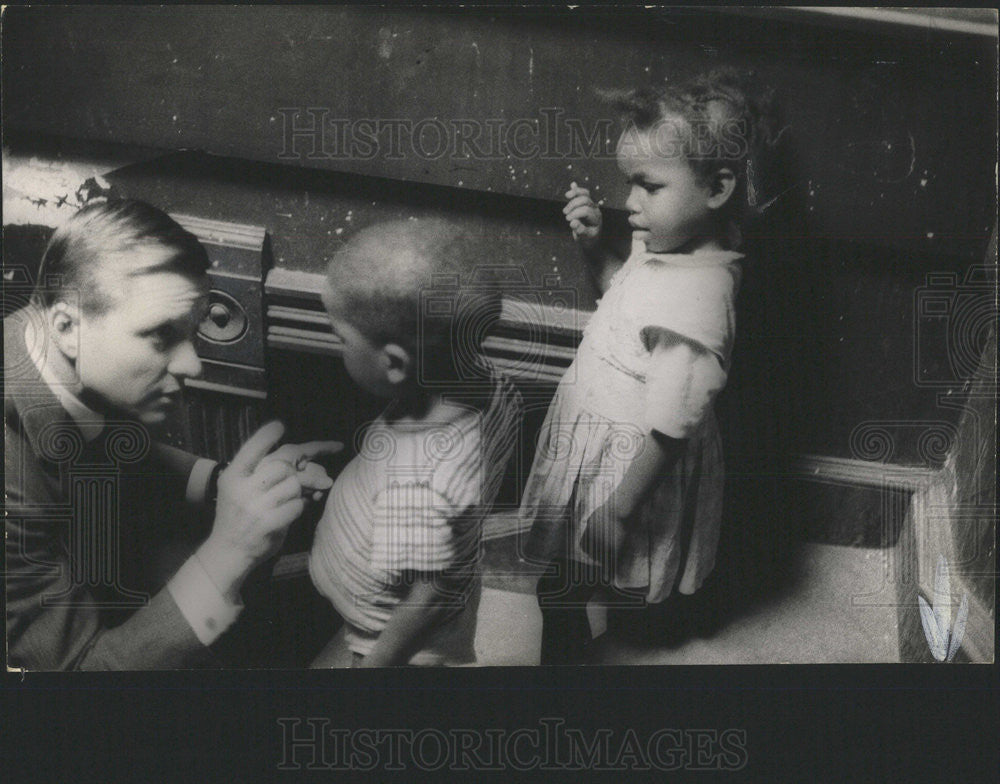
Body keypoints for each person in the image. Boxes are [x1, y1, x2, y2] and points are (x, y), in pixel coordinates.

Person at [5, 198, 339, 670]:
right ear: (66, 326)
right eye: (161, 335)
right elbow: (79, 679)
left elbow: (98, 438)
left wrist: (218, 481)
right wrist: (231, 552)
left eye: (191, 332)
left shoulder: (40, 340)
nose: (193, 365)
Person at [519, 68, 780, 663]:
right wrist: (594, 249)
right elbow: (625, 303)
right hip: (598, 439)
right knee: (576, 572)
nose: (629, 203)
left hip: (628, 463)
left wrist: (621, 506)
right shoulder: (668, 245)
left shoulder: (699, 300)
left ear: (716, 189)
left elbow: (671, 425)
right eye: (627, 183)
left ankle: (560, 673)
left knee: (566, 583)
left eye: (648, 186)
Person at [308, 219, 522, 667]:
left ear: (395, 363)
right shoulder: (489, 385)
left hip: (390, 636)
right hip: (412, 596)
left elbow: (429, 601)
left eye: (340, 338)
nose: (337, 347)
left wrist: (378, 663)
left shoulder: (417, 481)